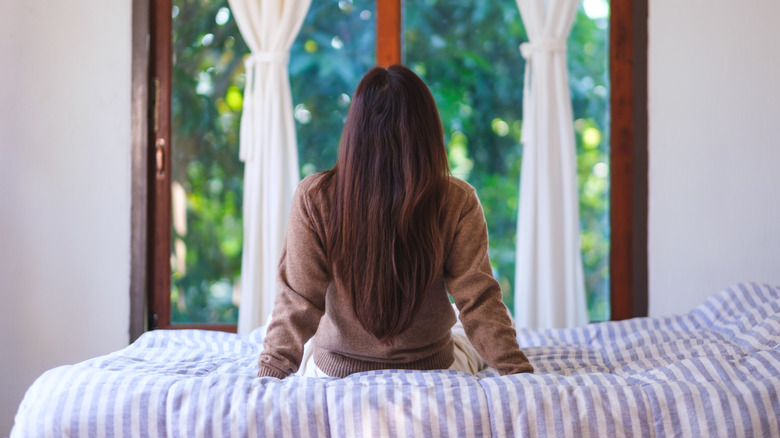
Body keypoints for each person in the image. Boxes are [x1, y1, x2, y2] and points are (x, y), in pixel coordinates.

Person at [257, 65, 533, 379]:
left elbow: (298, 302)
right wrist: (519, 372)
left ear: (355, 131)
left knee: (288, 332)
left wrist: (270, 373)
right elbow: (478, 301)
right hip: (434, 366)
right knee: (464, 327)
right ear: (427, 133)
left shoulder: (314, 196)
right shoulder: (457, 199)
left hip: (335, 370)